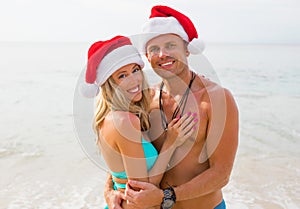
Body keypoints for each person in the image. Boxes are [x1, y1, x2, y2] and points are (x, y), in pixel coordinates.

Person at [104, 5, 239, 209]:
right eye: (154, 49)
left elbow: (221, 174)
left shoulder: (216, 99)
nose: (162, 54)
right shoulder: (145, 99)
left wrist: (166, 197)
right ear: (147, 58)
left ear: (186, 48)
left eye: (170, 45)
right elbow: (125, 154)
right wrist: (110, 191)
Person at [81, 35, 198, 209]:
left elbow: (120, 171)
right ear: (109, 84)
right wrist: (171, 143)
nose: (134, 80)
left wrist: (109, 189)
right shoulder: (125, 121)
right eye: (122, 75)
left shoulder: (112, 117)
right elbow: (142, 193)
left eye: (135, 70)